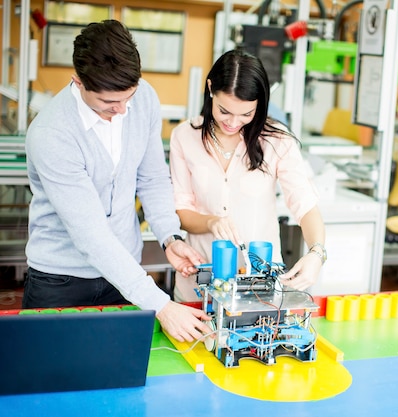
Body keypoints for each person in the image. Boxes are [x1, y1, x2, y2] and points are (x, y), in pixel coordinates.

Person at [24, 20, 211, 342]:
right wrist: (161, 306)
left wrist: (169, 235)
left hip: (125, 272)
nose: (123, 111)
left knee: (122, 381)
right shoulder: (51, 134)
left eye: (129, 98)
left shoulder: (144, 98)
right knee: (50, 384)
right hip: (61, 282)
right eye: (109, 104)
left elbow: (151, 176)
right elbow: (91, 234)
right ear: (78, 82)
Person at [169, 49, 326, 302]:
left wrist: (316, 253)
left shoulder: (277, 140)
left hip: (259, 289)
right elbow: (181, 212)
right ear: (210, 88)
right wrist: (211, 222)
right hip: (198, 284)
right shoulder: (184, 136)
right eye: (224, 111)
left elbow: (304, 203)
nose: (233, 122)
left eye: (246, 114)